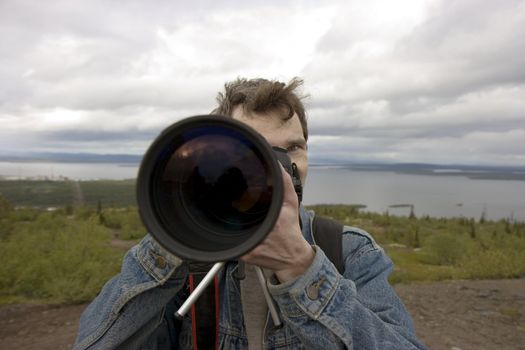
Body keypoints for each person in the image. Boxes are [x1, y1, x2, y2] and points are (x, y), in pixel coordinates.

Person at [74, 78, 427, 349]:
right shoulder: (187, 258)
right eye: (253, 150)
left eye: (293, 148)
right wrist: (183, 226)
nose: (279, 166)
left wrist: (302, 268)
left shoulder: (346, 250)